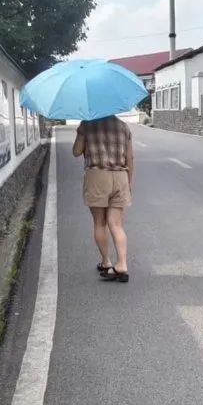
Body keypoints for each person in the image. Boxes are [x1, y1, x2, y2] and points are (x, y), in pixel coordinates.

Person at [73, 115, 133, 282]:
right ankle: (122, 264)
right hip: (120, 176)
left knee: (100, 223)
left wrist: (81, 133)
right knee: (116, 224)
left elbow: (76, 152)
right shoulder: (123, 127)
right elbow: (130, 157)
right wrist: (129, 181)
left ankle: (106, 262)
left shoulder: (87, 124)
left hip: (97, 176)